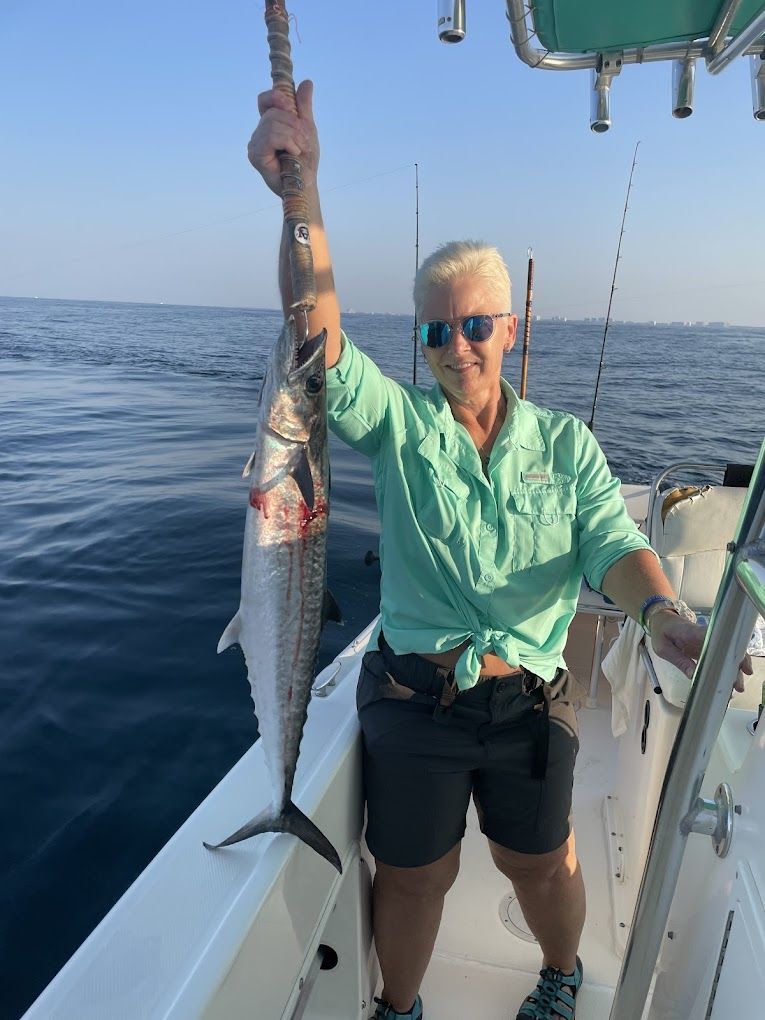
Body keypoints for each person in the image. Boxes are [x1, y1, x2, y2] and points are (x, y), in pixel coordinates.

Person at [247, 81, 737, 1020]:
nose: (456, 345)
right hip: (415, 700)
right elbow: (316, 338)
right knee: (414, 875)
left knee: (536, 860)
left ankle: (562, 976)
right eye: (437, 328)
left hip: (526, 702)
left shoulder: (565, 445)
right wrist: (300, 200)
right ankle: (399, 1005)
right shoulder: (397, 425)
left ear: (510, 329)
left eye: (476, 325)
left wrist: (664, 613)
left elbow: (611, 540)